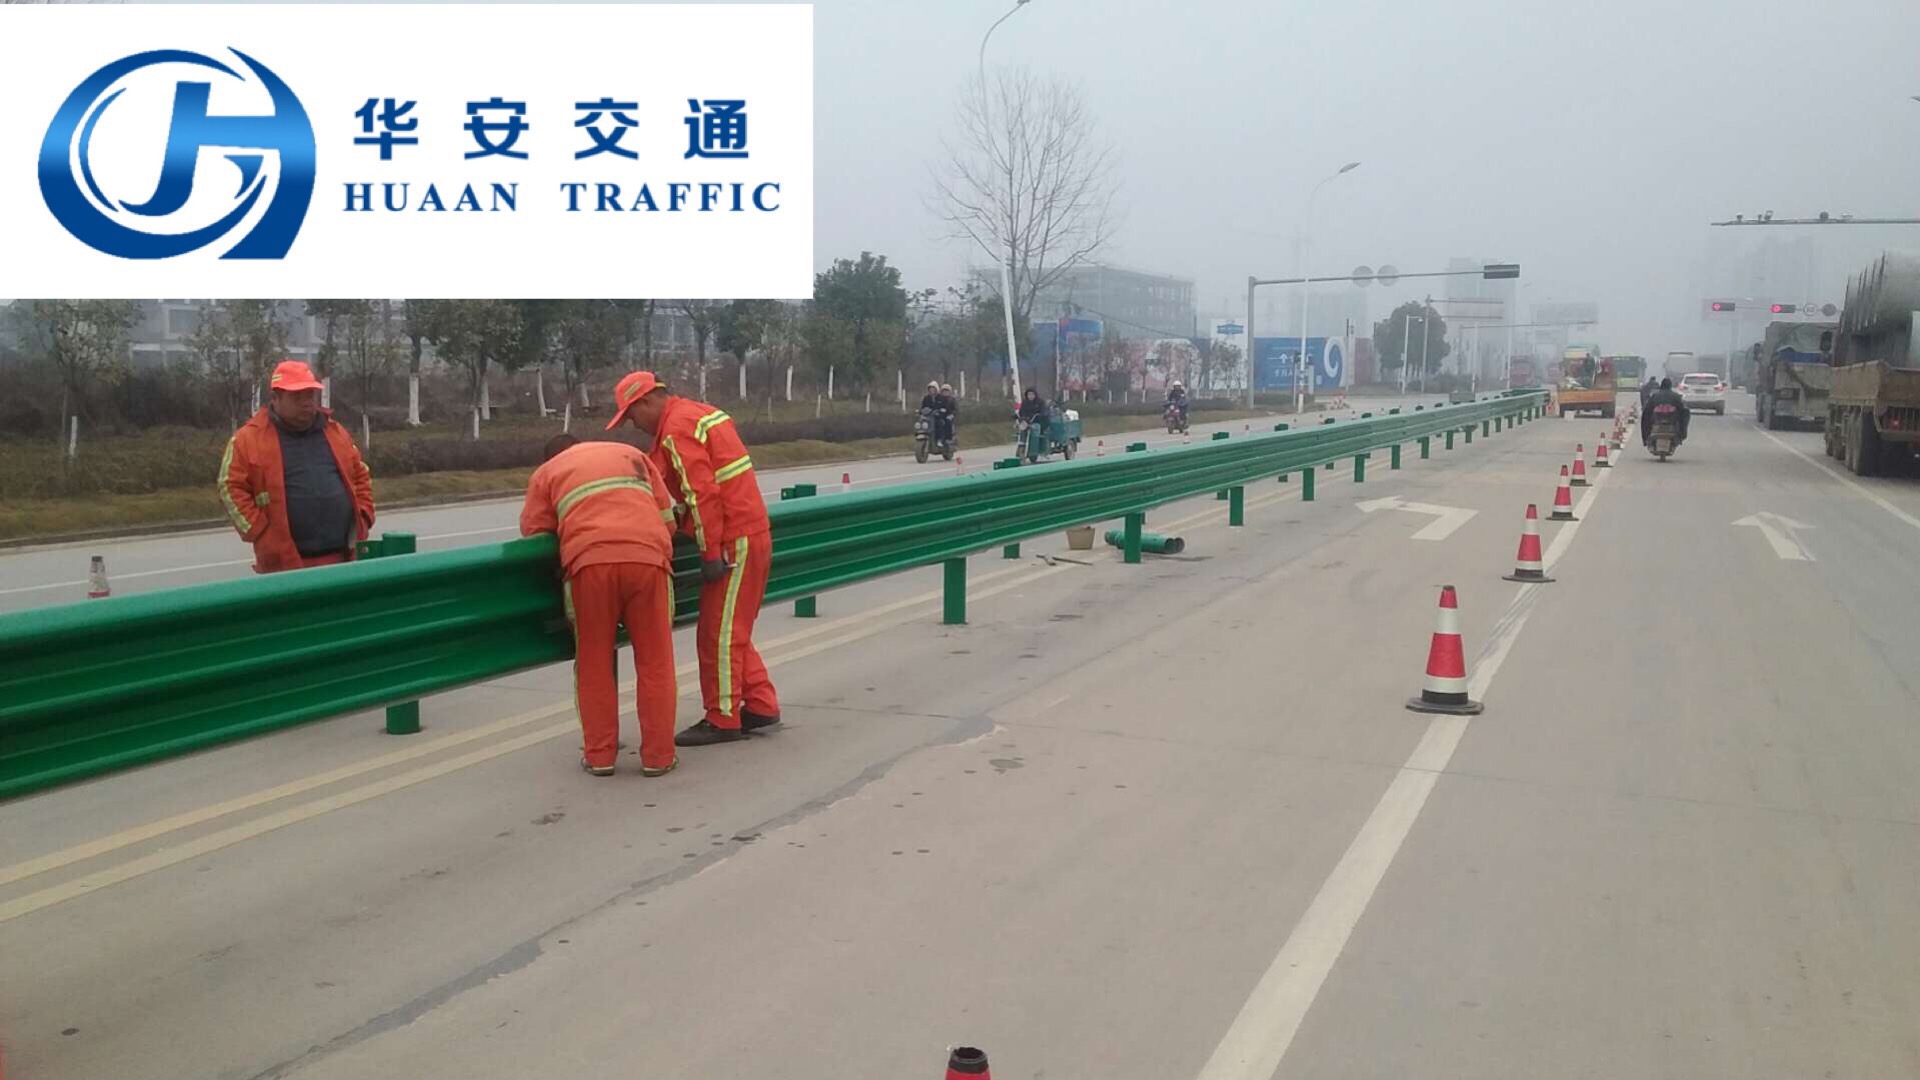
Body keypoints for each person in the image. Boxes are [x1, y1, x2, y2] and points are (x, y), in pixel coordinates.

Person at [606, 371, 780, 747]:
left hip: (733, 539)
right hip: (749, 531)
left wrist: (710, 552)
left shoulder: (677, 429)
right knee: (730, 629)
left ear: (647, 401)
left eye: (632, 416)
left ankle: (722, 717)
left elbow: (702, 494)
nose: (634, 425)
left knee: (719, 634)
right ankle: (760, 703)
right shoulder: (697, 413)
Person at [520, 434, 680, 777]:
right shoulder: (632, 455)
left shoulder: (547, 472)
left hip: (589, 565)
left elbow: (535, 535)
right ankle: (659, 757)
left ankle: (600, 757)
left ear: (552, 456)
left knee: (594, 662)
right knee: (656, 662)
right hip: (647, 561)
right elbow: (669, 521)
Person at [219, 360, 375, 574]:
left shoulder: (335, 432)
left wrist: (364, 515)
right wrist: (259, 532)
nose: (307, 403)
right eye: (297, 396)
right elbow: (230, 487)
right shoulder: (248, 439)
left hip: (343, 558)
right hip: (284, 563)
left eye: (310, 395)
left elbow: (361, 474)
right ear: (275, 398)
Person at [1642, 377, 1691, 446]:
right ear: (1670, 386)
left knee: (1645, 414)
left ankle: (1646, 437)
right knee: (1685, 413)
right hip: (1671, 420)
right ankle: (1682, 434)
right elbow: (1682, 409)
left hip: (1657, 419)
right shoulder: (1675, 396)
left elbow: (1648, 409)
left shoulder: (1655, 396)